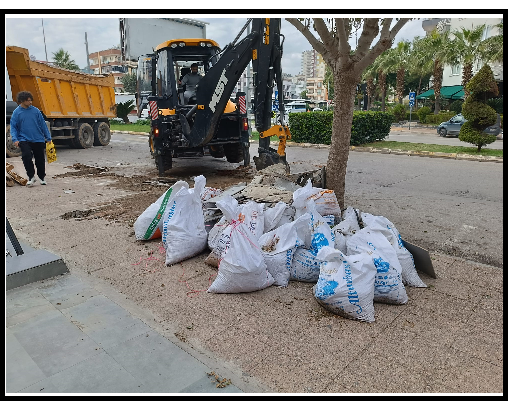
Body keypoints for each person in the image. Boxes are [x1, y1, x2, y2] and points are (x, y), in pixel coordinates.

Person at [10, 91, 52, 187]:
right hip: (24, 139)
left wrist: (48, 137)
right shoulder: (17, 112)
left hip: (38, 139)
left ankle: (41, 177)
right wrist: (15, 139)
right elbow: (13, 127)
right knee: (26, 157)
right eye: (28, 101)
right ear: (22, 101)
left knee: (40, 159)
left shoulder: (36, 111)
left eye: (31, 100)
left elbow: (43, 125)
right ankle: (31, 177)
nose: (30, 102)